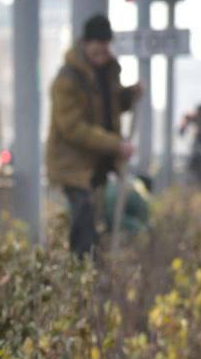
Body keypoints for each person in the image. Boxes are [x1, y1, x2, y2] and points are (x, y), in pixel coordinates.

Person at [45, 13, 143, 256]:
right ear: (86, 43)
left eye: (105, 46)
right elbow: (73, 128)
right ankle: (81, 269)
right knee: (84, 218)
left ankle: (94, 268)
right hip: (73, 165)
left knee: (97, 219)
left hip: (97, 164)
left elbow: (107, 107)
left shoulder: (107, 72)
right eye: (97, 46)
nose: (101, 52)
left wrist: (128, 96)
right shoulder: (67, 80)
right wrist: (115, 145)